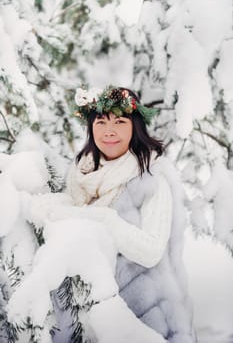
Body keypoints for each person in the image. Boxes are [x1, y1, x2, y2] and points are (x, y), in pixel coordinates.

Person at [51, 85, 197, 343]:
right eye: (101, 121)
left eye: (119, 121)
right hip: (91, 321)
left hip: (146, 319)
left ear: (135, 126)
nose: (109, 131)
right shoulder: (80, 173)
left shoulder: (150, 178)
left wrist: (104, 219)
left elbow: (151, 251)